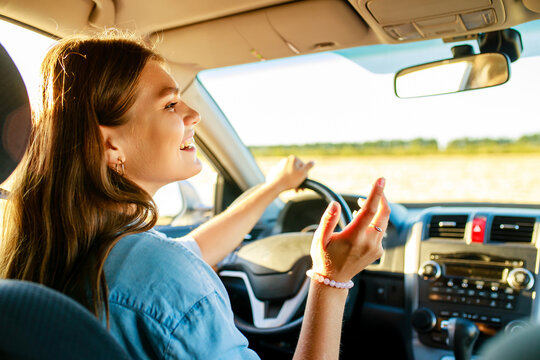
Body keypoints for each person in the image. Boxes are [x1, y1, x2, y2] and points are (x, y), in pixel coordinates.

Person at [0, 31, 390, 359]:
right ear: (111, 146)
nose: (194, 114)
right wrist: (331, 279)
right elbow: (167, 274)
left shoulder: (53, 250)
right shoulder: (161, 275)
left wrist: (274, 187)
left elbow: (189, 251)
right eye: (170, 103)